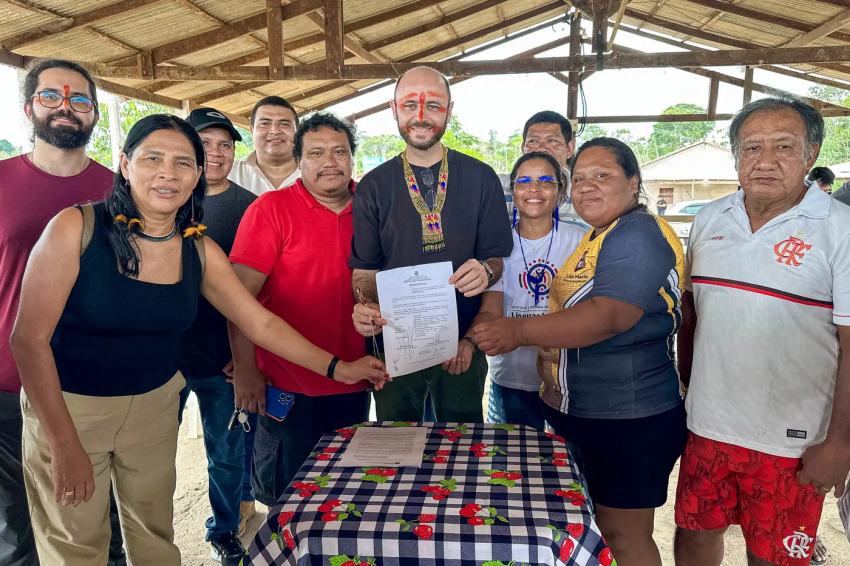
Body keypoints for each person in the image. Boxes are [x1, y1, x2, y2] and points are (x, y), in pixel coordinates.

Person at [9, 114, 387, 565]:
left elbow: (259, 323)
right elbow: (28, 340)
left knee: (154, 536)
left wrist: (339, 367)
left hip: (152, 407)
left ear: (197, 176)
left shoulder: (198, 248)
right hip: (72, 407)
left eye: (183, 163)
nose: (168, 173)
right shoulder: (76, 228)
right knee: (77, 545)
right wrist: (63, 443)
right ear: (126, 165)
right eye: (154, 158)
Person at [473, 137, 688, 566]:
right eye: (582, 178)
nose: (588, 186)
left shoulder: (639, 233)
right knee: (592, 527)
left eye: (603, 175)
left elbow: (609, 315)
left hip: (630, 416)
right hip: (588, 413)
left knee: (623, 536)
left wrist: (516, 331)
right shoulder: (601, 235)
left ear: (634, 181)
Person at [674, 97, 850, 566]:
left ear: (811, 154)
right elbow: (693, 315)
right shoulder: (709, 219)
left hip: (793, 443)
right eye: (751, 147)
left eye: (784, 147)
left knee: (772, 556)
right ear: (735, 156)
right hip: (707, 427)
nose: (765, 161)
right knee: (693, 535)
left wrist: (840, 442)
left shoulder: (841, 230)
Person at [0, 59, 125, 566]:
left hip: (96, 380)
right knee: (17, 525)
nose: (66, 108)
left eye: (79, 101)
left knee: (100, 518)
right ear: (29, 108)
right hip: (8, 381)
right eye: (52, 97)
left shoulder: (122, 190)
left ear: (93, 114)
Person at [229, 113, 384, 503]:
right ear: (299, 160)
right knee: (288, 499)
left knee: (344, 496)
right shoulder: (270, 210)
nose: (330, 161)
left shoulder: (374, 208)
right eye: (316, 153)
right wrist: (246, 369)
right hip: (287, 383)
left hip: (355, 379)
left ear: (352, 158)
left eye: (339, 151)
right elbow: (238, 301)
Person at [350, 66, 513, 423]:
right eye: (409, 105)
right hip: (394, 346)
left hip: (462, 347)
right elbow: (364, 271)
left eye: (434, 106)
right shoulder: (372, 186)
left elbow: (497, 261)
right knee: (396, 447)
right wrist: (365, 307)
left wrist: (486, 271)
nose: (420, 117)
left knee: (462, 447)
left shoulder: (481, 177)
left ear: (449, 111)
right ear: (394, 110)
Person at [178, 107, 257, 564]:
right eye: (204, 144)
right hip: (164, 358)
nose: (215, 153)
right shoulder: (162, 199)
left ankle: (224, 529)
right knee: (142, 457)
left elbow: (262, 287)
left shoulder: (249, 206)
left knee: (226, 454)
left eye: (225, 144)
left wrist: (245, 354)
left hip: (221, 358)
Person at [476, 152, 585, 429]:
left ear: (561, 191)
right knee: (513, 465)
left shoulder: (580, 241)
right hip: (512, 378)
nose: (534, 189)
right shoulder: (496, 244)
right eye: (524, 181)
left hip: (568, 380)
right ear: (513, 190)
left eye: (546, 181)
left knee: (567, 463)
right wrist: (473, 338)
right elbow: (491, 309)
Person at [229, 96, 300, 196]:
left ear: (298, 132)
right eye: (265, 123)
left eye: (284, 124)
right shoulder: (231, 174)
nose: (275, 131)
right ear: (252, 131)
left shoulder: (317, 173)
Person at [521, 110, 583, 225]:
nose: (541, 148)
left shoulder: (586, 193)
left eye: (552, 141)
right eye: (533, 141)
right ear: (522, 148)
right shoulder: (499, 189)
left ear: (569, 149)